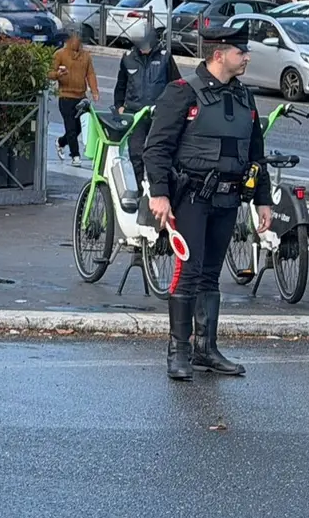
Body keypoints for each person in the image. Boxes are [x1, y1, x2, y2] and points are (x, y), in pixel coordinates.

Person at [144, 23, 271, 382]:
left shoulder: (245, 97)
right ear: (219, 55)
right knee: (188, 275)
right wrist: (159, 194)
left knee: (211, 277)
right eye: (239, 51)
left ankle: (206, 348)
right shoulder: (182, 92)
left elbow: (255, 153)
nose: (246, 56)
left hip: (229, 199)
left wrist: (262, 200)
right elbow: (158, 148)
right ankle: (178, 351)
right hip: (192, 198)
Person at [113, 30, 180, 187]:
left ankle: (159, 186)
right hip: (135, 114)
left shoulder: (165, 58)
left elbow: (176, 84)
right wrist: (119, 107)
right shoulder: (128, 58)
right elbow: (120, 85)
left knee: (158, 153)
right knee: (136, 153)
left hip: (158, 114)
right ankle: (138, 187)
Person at [50, 29, 98, 166]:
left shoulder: (86, 56)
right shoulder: (59, 54)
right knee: (70, 127)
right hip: (65, 96)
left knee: (79, 128)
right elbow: (49, 72)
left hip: (81, 97)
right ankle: (75, 156)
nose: (77, 42)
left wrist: (94, 90)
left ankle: (61, 142)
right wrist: (58, 74)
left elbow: (91, 74)